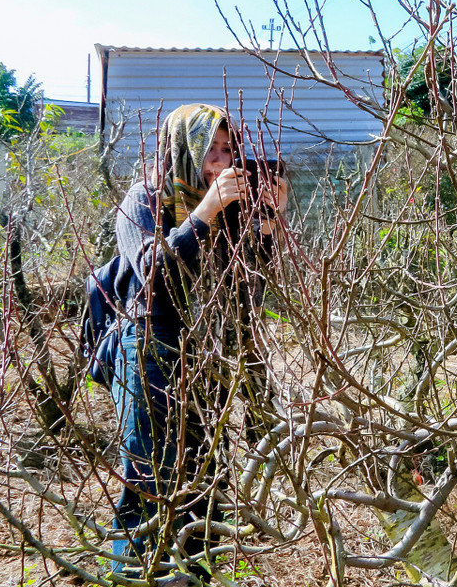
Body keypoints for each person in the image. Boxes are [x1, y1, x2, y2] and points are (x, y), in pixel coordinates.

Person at [109, 103, 287, 578]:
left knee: (207, 477)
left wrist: (268, 222)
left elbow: (248, 284)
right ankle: (134, 574)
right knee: (152, 477)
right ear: (181, 148)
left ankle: (195, 575)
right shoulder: (142, 200)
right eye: (210, 149)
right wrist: (205, 212)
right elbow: (151, 271)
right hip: (150, 345)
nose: (221, 162)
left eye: (229, 150)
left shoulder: (228, 208)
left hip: (209, 349)